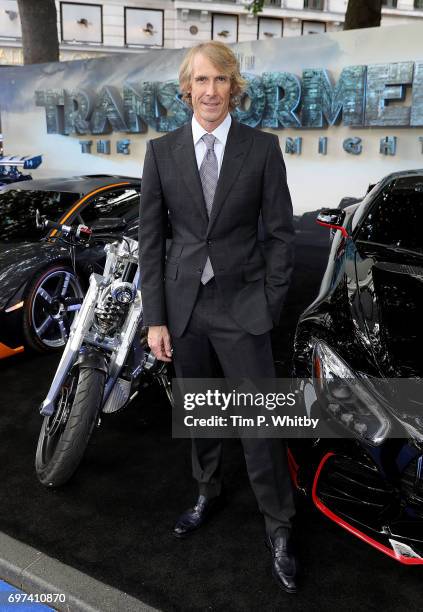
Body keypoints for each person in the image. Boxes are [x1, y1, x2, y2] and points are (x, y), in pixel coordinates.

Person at [139, 41, 297, 594]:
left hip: (243, 306)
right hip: (184, 309)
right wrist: (155, 318)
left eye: (220, 81)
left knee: (260, 425)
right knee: (202, 413)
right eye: (201, 81)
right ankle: (207, 492)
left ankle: (279, 525)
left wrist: (269, 302)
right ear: (187, 88)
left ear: (234, 87)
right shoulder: (161, 152)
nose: (210, 91)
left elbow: (281, 236)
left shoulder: (262, 149)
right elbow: (152, 240)